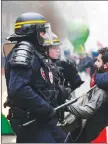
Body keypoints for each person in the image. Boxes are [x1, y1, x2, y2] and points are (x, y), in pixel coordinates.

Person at [3, 12, 67, 143]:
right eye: (42, 32)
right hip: (31, 121)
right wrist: (45, 107)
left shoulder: (35, 52)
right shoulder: (23, 51)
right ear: (31, 31)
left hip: (42, 119)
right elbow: (19, 88)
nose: (44, 35)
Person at [63, 47, 108, 143]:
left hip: (85, 132)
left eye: (98, 61)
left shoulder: (103, 90)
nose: (94, 63)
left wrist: (66, 105)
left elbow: (88, 111)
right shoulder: (106, 82)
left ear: (106, 65)